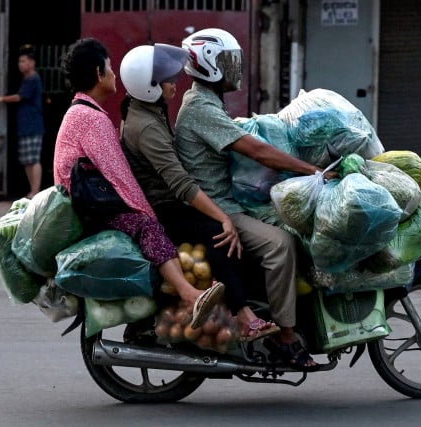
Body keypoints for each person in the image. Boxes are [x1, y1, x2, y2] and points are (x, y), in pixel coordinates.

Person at [175, 28, 336, 370]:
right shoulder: (199, 107)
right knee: (281, 245)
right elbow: (257, 150)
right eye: (226, 62)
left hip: (229, 201)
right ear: (208, 66)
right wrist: (311, 170)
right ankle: (287, 339)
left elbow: (246, 135)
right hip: (220, 208)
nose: (234, 68)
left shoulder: (206, 103)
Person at [53, 38, 224, 330]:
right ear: (98, 73)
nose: (114, 74)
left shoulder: (83, 111)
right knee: (147, 226)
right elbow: (121, 179)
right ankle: (189, 294)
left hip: (90, 204)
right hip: (93, 211)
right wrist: (149, 214)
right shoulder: (90, 118)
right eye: (109, 67)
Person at [119, 44, 279, 342]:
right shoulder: (146, 128)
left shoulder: (148, 110)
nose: (174, 82)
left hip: (170, 201)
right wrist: (224, 218)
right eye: (167, 79)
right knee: (218, 232)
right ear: (149, 87)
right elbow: (179, 183)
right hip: (164, 207)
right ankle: (245, 317)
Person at [0, 44, 44, 199]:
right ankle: (33, 189)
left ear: (32, 63)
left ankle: (36, 190)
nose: (21, 64)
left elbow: (19, 97)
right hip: (25, 125)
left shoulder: (33, 79)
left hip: (33, 124)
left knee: (33, 158)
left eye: (24, 61)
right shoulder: (27, 79)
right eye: (19, 62)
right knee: (27, 160)